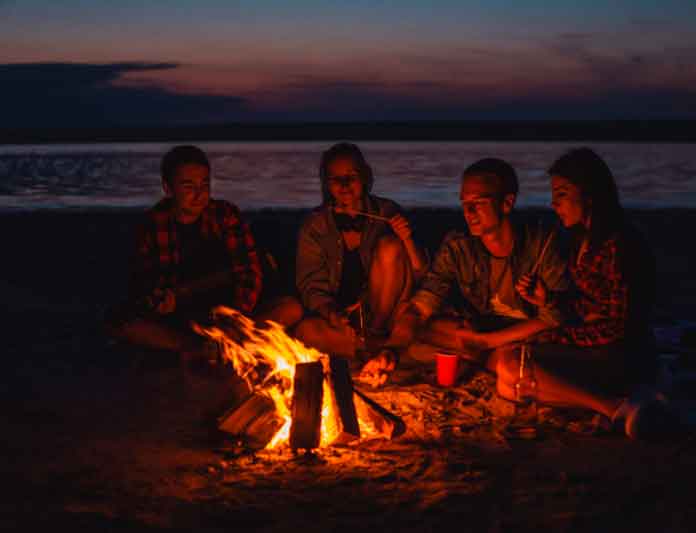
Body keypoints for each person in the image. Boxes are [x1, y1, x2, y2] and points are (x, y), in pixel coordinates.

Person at [495, 147, 663, 439]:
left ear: (589, 194)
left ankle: (614, 406)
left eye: (561, 194)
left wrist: (560, 336)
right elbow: (591, 306)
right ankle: (610, 403)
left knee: (513, 367)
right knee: (508, 377)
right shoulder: (581, 240)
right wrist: (548, 299)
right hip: (597, 345)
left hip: (623, 354)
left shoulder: (620, 245)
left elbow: (619, 326)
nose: (553, 203)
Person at [360, 157, 569, 386]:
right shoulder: (459, 246)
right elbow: (422, 305)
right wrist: (391, 351)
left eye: (478, 203)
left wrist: (487, 341)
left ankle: (485, 357)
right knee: (413, 318)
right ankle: (481, 356)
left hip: (526, 334)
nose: (468, 212)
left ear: (507, 203)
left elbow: (555, 317)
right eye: (464, 203)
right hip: (482, 333)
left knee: (527, 350)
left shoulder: (542, 242)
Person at [106, 145, 302, 365]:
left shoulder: (225, 215)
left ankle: (227, 343)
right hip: (185, 319)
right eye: (188, 186)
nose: (199, 194)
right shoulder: (153, 224)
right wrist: (162, 300)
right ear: (168, 188)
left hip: (231, 314)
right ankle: (201, 347)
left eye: (204, 184)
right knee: (122, 323)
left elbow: (249, 271)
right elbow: (145, 280)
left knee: (290, 308)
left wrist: (235, 318)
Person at [294, 142, 428, 358]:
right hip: (345, 320)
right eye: (336, 179)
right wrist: (332, 314)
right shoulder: (315, 226)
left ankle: (376, 336)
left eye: (351, 176)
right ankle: (376, 348)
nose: (345, 184)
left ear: (365, 177)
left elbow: (421, 273)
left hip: (387, 314)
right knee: (305, 332)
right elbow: (311, 286)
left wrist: (408, 239)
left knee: (390, 246)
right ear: (327, 184)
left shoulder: (387, 212)